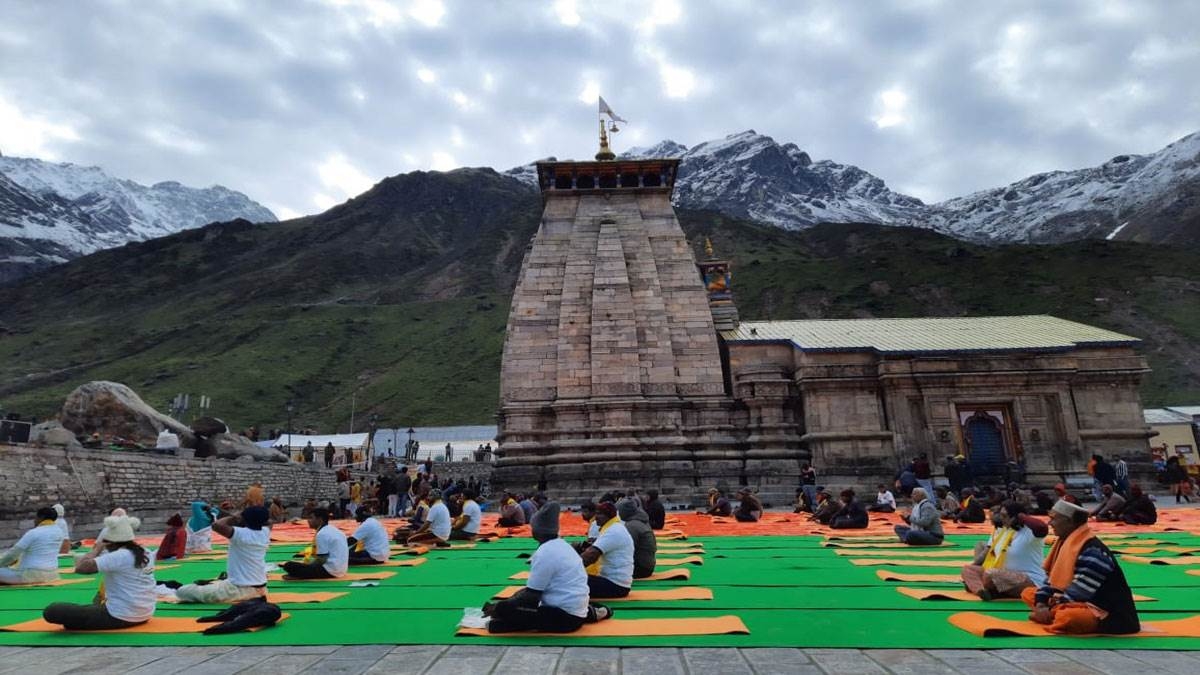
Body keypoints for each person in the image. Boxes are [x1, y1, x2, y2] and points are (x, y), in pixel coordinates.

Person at [482, 503, 611, 633]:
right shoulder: (563, 545)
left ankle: (501, 624)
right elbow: (533, 590)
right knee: (514, 603)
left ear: (537, 530)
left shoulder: (545, 552)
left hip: (564, 617)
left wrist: (499, 607)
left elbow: (531, 597)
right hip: (577, 611)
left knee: (505, 609)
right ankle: (592, 613)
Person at [1022, 499, 1139, 634]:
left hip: (1104, 611)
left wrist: (1048, 607)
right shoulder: (1063, 543)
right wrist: (1041, 604)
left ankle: (1052, 615)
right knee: (1029, 593)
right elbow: (1051, 581)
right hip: (1071, 600)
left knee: (1068, 617)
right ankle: (1050, 614)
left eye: (1054, 519)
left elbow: (1080, 591)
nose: (1050, 523)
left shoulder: (1093, 551)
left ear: (1069, 521)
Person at [42, 513, 155, 630]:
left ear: (110, 542)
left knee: (52, 610)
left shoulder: (119, 556)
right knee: (87, 609)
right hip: (145, 613)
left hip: (120, 615)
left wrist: (96, 549)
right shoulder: (145, 552)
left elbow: (81, 568)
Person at [175, 506, 271, 603]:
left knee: (182, 591)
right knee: (214, 584)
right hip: (261, 589)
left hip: (240, 590)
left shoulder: (241, 534)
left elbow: (216, 525)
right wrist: (239, 517)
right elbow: (267, 522)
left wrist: (234, 517)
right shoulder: (265, 532)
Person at [961, 501, 1048, 600]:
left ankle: (984, 588)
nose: (1001, 519)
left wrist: (1022, 517)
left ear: (1016, 517)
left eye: (1004, 516)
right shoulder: (1005, 530)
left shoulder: (1029, 533)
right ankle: (982, 591)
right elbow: (989, 549)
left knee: (990, 574)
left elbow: (1042, 527)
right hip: (1003, 575)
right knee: (968, 569)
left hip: (1029, 578)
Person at [579, 502, 633, 598]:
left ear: (608, 516)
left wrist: (568, 569)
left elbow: (590, 556)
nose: (596, 517)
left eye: (599, 514)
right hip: (614, 582)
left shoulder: (613, 531)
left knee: (570, 580)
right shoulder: (614, 527)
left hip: (615, 585)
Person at [0, 507, 64, 585]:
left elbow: (13, 554)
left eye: (36, 518)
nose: (34, 520)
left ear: (41, 518)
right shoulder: (59, 532)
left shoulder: (34, 532)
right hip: (52, 575)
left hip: (30, 576)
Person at [281, 507, 348, 579]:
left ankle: (301, 575)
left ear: (320, 520)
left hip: (330, 570)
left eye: (311, 518)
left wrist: (308, 567)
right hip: (341, 569)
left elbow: (322, 559)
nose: (308, 521)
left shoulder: (322, 534)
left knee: (289, 565)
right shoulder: (333, 530)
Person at [616, 498, 657, 579]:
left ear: (624, 512)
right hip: (647, 565)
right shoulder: (641, 521)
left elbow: (625, 549)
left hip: (641, 568)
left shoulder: (632, 526)